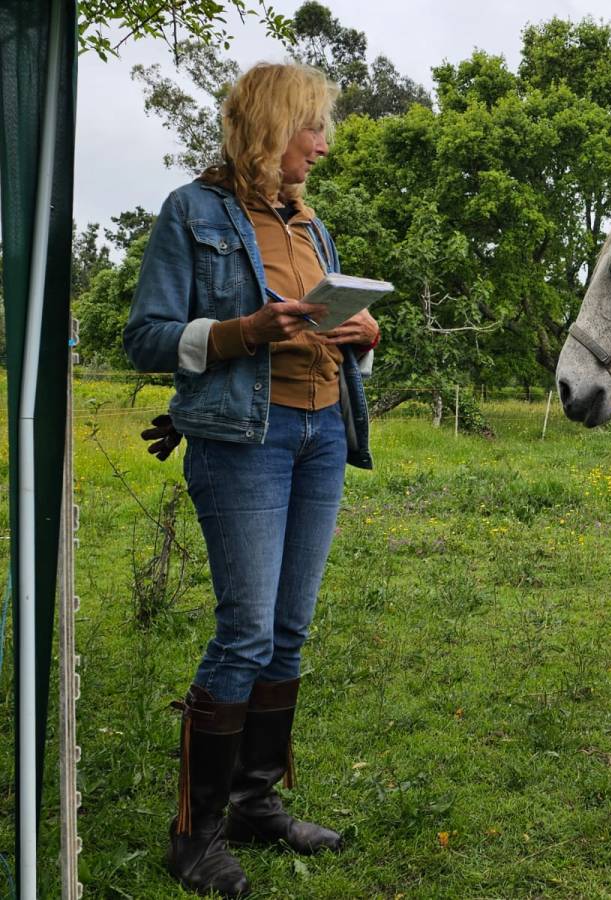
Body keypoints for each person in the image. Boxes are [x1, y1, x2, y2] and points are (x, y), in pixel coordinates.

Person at [124, 62, 380, 898]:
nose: (324, 143)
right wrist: (243, 330)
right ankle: (193, 835)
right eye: (313, 126)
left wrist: (362, 333)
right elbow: (148, 337)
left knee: (289, 630)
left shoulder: (310, 224)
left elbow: (332, 327)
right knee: (245, 632)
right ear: (271, 126)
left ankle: (254, 804)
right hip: (246, 439)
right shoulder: (190, 212)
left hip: (320, 432)